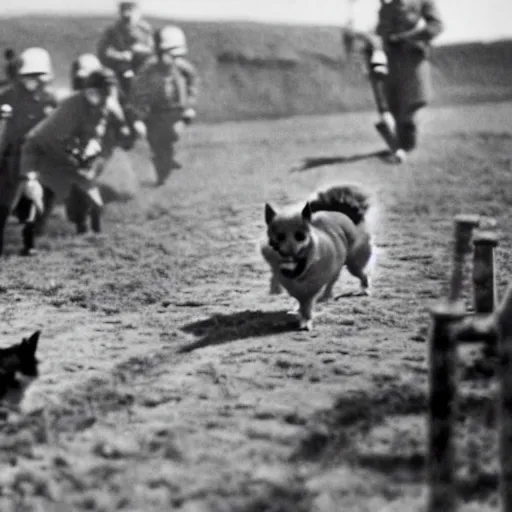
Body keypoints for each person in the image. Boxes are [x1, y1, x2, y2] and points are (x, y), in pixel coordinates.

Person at [11, 68, 141, 254]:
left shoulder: (108, 108)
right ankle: (30, 233)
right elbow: (49, 140)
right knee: (45, 193)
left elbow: (115, 138)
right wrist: (76, 161)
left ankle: (83, 228)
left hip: (71, 154)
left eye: (103, 92)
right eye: (92, 92)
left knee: (85, 194)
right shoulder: (72, 108)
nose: (96, 96)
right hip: (43, 151)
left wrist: (95, 159)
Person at [66, 54, 139, 234]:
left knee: (95, 177)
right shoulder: (73, 101)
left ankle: (89, 214)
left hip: (102, 145)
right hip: (81, 146)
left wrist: (128, 129)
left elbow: (123, 113)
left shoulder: (111, 96)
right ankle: (82, 216)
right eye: (83, 79)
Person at [0, 47, 58, 256]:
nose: (33, 81)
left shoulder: (49, 100)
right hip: (12, 154)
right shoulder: (8, 96)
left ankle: (30, 240)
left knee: (35, 198)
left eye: (38, 76)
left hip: (37, 155)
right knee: (4, 197)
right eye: (28, 76)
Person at [369, 0, 444, 160]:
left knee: (411, 103)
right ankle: (399, 146)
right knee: (391, 107)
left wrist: (406, 37)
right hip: (389, 60)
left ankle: (405, 143)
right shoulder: (386, 6)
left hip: (412, 60)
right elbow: (380, 31)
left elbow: (436, 26)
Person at [126, 25, 199, 186]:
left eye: (176, 56)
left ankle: (167, 159)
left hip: (174, 110)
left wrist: (189, 107)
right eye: (168, 55)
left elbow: (192, 86)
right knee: (156, 143)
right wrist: (137, 116)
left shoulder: (183, 69)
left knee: (170, 137)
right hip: (154, 113)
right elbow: (138, 92)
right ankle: (162, 169)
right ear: (159, 52)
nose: (172, 60)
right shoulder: (148, 69)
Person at [96, 1, 154, 96]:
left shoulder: (145, 30)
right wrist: (121, 55)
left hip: (142, 69)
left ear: (138, 13)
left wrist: (141, 50)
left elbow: (153, 50)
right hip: (120, 69)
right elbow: (103, 51)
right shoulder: (112, 31)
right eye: (124, 10)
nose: (127, 14)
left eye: (131, 10)